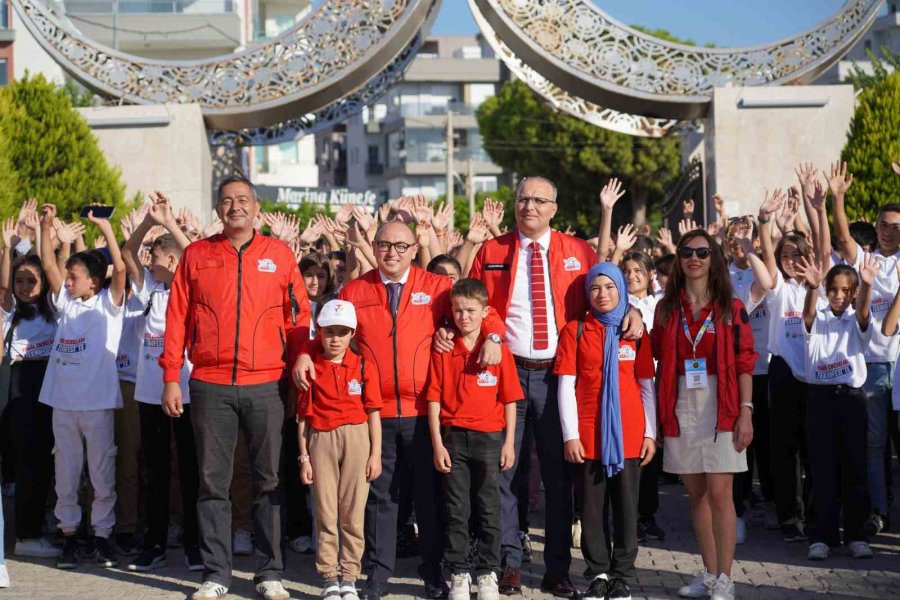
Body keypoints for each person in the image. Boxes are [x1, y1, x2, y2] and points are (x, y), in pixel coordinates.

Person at [294, 219, 506, 600]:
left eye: (401, 246)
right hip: (373, 413)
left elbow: (481, 310)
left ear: (414, 248)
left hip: (424, 411)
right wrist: (305, 356)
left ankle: (434, 574)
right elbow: (329, 330)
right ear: (373, 248)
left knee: (429, 498)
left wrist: (491, 335)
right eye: (384, 245)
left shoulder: (437, 286)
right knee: (381, 499)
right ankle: (377, 575)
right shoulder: (356, 290)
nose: (392, 252)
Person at [468, 176, 643, 597]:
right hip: (506, 373)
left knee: (560, 475)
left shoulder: (576, 251)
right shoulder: (492, 251)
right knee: (505, 471)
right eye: (522, 198)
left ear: (553, 209)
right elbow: (480, 304)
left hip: (556, 376)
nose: (528, 206)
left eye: (538, 200)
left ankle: (558, 569)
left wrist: (632, 309)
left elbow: (605, 290)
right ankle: (509, 562)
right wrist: (492, 334)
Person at [161, 174, 311, 600]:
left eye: (242, 199)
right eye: (227, 201)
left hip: (266, 383)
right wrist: (172, 376)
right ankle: (216, 574)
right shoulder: (196, 255)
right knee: (213, 483)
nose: (235, 207)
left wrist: (300, 354)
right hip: (209, 384)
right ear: (218, 210)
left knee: (269, 481)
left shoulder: (279, 255)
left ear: (256, 207)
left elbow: (298, 316)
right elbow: (177, 319)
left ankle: (270, 572)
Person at [650, 230, 756, 600]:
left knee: (720, 492)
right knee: (695, 493)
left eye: (702, 252)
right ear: (678, 259)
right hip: (680, 400)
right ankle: (710, 574)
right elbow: (654, 351)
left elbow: (745, 361)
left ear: (714, 259)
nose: (694, 258)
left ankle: (726, 578)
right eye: (687, 252)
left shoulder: (730, 305)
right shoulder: (667, 308)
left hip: (721, 400)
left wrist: (746, 411)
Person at [555, 263, 657, 600]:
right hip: (588, 436)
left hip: (629, 434)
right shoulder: (575, 330)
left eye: (610, 287)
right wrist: (570, 435)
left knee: (627, 509)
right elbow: (566, 385)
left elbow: (646, 386)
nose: (603, 294)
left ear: (621, 290)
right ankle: (598, 572)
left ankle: (623, 575)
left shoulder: (634, 332)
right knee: (591, 509)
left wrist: (650, 434)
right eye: (596, 288)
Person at [38, 204, 127, 571]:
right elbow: (47, 265)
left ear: (94, 281)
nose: (67, 281)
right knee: (66, 473)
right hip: (63, 404)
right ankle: (71, 535)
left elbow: (120, 268)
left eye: (73, 277)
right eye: (68, 277)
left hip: (98, 404)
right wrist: (45, 227)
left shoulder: (109, 304)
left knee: (103, 473)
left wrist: (105, 229)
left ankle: (102, 537)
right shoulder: (65, 305)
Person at [425, 278, 522, 600]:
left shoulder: (497, 352)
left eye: (470, 310)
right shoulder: (443, 350)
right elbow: (434, 399)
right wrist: (438, 443)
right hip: (454, 438)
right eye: (457, 310)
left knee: (489, 509)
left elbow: (510, 400)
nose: (463, 316)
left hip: (490, 438)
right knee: (457, 510)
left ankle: (488, 573)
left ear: (485, 312)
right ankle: (460, 573)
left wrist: (509, 442)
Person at [121, 194, 201, 572]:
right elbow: (127, 253)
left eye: (155, 258)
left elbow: (194, 257)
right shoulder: (150, 290)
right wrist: (147, 222)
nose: (148, 264)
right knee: (155, 470)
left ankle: (194, 546)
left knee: (191, 470)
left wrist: (170, 224)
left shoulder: (194, 286)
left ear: (171, 261)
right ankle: (153, 543)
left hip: (187, 392)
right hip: (151, 393)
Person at [829, 160, 899, 534]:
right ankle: (878, 510)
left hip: (898, 367)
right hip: (870, 364)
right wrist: (837, 198)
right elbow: (842, 237)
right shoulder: (866, 260)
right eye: (883, 225)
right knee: (873, 446)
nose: (889, 232)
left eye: (896, 227)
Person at [298, 299, 382, 600]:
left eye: (342, 332)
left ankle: (350, 576)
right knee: (325, 510)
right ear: (319, 332)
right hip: (321, 438)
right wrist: (304, 457)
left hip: (358, 437)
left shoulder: (363, 365)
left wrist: (375, 453)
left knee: (353, 511)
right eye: (329, 331)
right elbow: (304, 418)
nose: (335, 338)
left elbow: (373, 411)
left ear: (352, 334)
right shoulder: (311, 366)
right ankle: (329, 576)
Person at [794, 258, 875, 560]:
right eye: (833, 290)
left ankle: (856, 533)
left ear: (853, 293)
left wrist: (866, 284)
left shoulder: (856, 317)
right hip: (820, 398)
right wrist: (813, 287)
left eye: (845, 291)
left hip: (851, 398)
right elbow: (807, 313)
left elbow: (865, 313)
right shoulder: (819, 316)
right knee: (821, 467)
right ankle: (821, 535)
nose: (839, 296)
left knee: (855, 465)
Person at [758, 191, 819, 543]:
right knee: (786, 448)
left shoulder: (818, 284)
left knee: (815, 447)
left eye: (797, 254)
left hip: (814, 372)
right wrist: (766, 222)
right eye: (785, 255)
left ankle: (816, 514)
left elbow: (821, 246)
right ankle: (789, 516)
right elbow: (767, 251)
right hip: (782, 372)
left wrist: (810, 212)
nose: (791, 259)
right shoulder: (777, 287)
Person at [0, 222, 58, 560]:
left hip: (52, 383)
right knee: (30, 460)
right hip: (22, 384)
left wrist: (42, 236)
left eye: (31, 281)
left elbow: (54, 268)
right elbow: (5, 286)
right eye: (21, 281)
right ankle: (26, 534)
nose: (25, 287)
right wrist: (10, 249)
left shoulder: (55, 308)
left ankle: (39, 522)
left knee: (46, 459)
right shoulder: (10, 314)